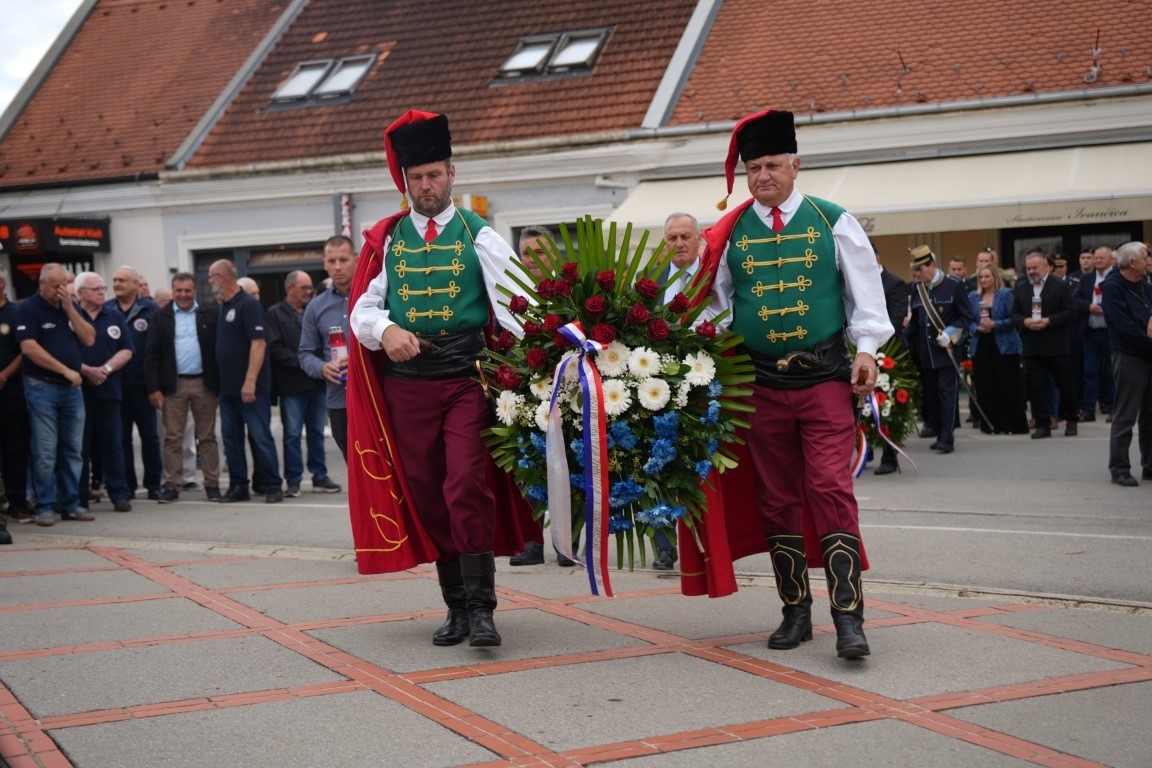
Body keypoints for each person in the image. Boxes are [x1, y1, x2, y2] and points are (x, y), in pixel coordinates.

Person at [690, 109, 893, 659]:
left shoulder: (833, 221)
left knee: (829, 488)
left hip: (824, 379)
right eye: (754, 168)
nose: (763, 176)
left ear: (795, 166)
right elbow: (712, 305)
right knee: (775, 498)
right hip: (759, 385)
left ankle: (848, 616)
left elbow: (867, 298)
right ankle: (795, 611)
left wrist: (867, 351)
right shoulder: (728, 232)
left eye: (773, 165)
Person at [349, 109, 534, 648]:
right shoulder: (387, 240)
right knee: (428, 492)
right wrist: (385, 330)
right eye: (417, 178)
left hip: (465, 381)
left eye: (434, 174)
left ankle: (482, 609)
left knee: (465, 484)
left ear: (452, 173)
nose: (426, 186)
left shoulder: (479, 234)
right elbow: (362, 309)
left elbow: (521, 307)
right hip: (407, 386)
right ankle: (455, 606)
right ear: (404, 182)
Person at [508, 225, 579, 568]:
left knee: (569, 464)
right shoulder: (510, 292)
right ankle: (531, 542)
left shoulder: (569, 294)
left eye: (540, 253)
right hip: (524, 390)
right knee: (527, 464)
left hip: (566, 391)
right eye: (526, 254)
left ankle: (568, 543)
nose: (532, 260)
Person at [15, 263, 97, 526]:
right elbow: (29, 348)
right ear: (42, 284)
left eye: (64, 284)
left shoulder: (70, 307)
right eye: (55, 286)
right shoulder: (28, 308)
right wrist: (65, 371)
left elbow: (89, 339)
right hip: (42, 387)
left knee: (73, 450)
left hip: (72, 390)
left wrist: (70, 308)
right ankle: (45, 505)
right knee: (45, 451)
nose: (61, 290)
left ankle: (71, 503)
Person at [209, 260, 284, 503]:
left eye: (211, 277)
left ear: (221, 277)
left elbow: (259, 344)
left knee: (260, 437)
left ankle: (273, 485)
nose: (209, 282)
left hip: (251, 388)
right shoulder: (224, 305)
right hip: (228, 389)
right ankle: (238, 485)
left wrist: (250, 381)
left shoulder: (248, 305)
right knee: (231, 439)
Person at [145, 272, 222, 502]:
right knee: (173, 438)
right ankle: (172, 485)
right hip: (173, 385)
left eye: (188, 290)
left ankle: (212, 484)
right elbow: (151, 355)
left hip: (204, 384)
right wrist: (153, 388)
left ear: (195, 291)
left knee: (207, 437)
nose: (183, 295)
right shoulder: (160, 317)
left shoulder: (209, 314)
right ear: (173, 291)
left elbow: (218, 350)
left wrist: (218, 384)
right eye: (179, 290)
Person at [267, 270, 339, 496]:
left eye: (310, 287)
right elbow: (275, 348)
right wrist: (305, 362)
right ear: (289, 288)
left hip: (318, 382)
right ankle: (293, 480)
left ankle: (319, 476)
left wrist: (317, 365)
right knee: (292, 434)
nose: (308, 291)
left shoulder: (314, 309)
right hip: (292, 385)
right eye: (303, 288)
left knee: (317, 432)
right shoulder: (275, 313)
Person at [74, 272, 134, 513]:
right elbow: (62, 351)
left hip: (109, 390)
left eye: (102, 288)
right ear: (80, 293)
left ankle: (119, 493)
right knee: (80, 446)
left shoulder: (114, 315)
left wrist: (105, 369)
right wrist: (87, 370)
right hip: (78, 391)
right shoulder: (71, 315)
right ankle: (79, 497)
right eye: (95, 289)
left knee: (113, 444)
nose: (102, 292)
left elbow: (127, 350)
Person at [905, 246, 975, 454]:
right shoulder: (917, 289)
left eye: (920, 269)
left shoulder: (954, 285)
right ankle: (939, 433)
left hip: (946, 352)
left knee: (946, 395)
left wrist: (951, 333)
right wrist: (900, 340)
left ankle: (947, 437)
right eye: (914, 270)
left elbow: (966, 318)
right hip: (926, 353)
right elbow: (915, 323)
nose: (917, 274)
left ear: (932, 265)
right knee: (933, 396)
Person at [299, 235, 358, 463]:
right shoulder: (316, 307)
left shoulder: (373, 297)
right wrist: (322, 368)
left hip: (375, 396)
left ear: (356, 260)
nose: (337, 267)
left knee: (384, 467)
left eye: (343, 260)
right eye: (332, 261)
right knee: (352, 465)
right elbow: (305, 353)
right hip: (338, 401)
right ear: (324, 263)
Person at [1012, 249, 1079, 439]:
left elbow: (1072, 311)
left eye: (1035, 268)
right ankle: (1042, 423)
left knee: (1064, 384)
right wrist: (1024, 321)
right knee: (1037, 386)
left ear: (1046, 267)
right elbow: (1014, 314)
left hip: (1056, 344)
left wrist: (1049, 321)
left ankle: (1071, 418)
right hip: (1032, 344)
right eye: (1028, 268)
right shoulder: (1021, 286)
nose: (1031, 271)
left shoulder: (1060, 285)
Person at [109, 266, 162, 501]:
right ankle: (127, 485)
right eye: (115, 280)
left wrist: (156, 385)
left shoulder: (150, 310)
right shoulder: (108, 310)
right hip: (116, 385)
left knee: (149, 436)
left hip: (143, 384)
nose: (117, 284)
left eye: (122, 280)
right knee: (121, 438)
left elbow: (158, 349)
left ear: (135, 284)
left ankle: (153, 484)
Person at [1102, 242, 1152, 486]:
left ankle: (1150, 465)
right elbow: (1124, 328)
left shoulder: (1145, 284)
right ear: (1132, 262)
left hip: (1148, 353)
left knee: (1150, 415)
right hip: (1129, 356)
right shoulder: (1112, 287)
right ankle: (1119, 468)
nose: (1149, 260)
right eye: (1145, 257)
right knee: (1126, 414)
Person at [967, 265, 1029, 434]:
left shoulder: (1006, 294)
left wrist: (995, 324)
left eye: (987, 276)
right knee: (985, 385)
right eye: (981, 277)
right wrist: (976, 327)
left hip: (1004, 345)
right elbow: (968, 320)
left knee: (1008, 385)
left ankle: (1013, 425)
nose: (984, 280)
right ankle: (991, 425)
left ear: (995, 277)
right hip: (982, 344)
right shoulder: (973, 297)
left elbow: (1014, 319)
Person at [874, 243, 909, 475]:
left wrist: (873, 343)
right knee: (863, 405)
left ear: (876, 257)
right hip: (858, 351)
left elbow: (896, 320)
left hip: (889, 352)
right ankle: (865, 448)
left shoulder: (894, 283)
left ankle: (889, 454)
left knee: (887, 405)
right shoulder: (852, 282)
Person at [0, 269, 32, 524]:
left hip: (12, 391)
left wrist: (4, 375)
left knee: (16, 448)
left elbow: (25, 349)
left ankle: (18, 503)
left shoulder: (17, 312)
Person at [1075, 245, 1116, 423]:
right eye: (1096, 258)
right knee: (1090, 372)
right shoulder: (1087, 278)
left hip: (1111, 333)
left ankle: (1115, 409)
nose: (1097, 261)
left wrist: (1106, 307)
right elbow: (1075, 299)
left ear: (1111, 260)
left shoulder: (1116, 277)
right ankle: (1088, 410)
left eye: (1101, 258)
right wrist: (1088, 306)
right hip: (1090, 332)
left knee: (1112, 372)